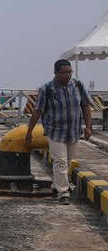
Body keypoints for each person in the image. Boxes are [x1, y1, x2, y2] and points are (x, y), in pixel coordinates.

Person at [25, 59, 92, 205]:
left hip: (73, 130)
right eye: (64, 72)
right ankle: (64, 193)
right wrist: (29, 131)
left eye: (70, 72)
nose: (68, 75)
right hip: (55, 131)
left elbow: (86, 106)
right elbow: (37, 111)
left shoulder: (78, 85)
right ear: (56, 73)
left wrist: (88, 127)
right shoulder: (47, 88)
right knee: (60, 161)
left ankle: (56, 187)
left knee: (67, 161)